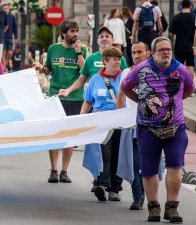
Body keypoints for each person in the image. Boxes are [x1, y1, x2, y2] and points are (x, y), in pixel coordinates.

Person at [120, 37, 194, 223]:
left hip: (175, 128)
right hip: (147, 128)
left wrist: (173, 103)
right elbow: (125, 87)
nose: (166, 52)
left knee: (175, 166)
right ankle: (153, 207)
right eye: (161, 49)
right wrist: (141, 101)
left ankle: (171, 208)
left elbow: (188, 90)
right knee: (149, 170)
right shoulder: (140, 69)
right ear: (152, 52)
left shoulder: (180, 69)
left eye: (168, 49)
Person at [34, 20, 88, 184]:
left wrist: (78, 53)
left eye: (76, 31)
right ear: (64, 33)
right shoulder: (53, 49)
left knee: (70, 135)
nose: (75, 34)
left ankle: (64, 170)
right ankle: (54, 170)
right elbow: (49, 69)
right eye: (72, 31)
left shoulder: (83, 49)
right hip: (56, 96)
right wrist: (41, 67)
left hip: (75, 96)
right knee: (55, 133)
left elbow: (84, 71)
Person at [80, 47, 125, 203]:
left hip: (120, 123)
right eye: (113, 59)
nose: (117, 61)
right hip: (101, 124)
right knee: (103, 154)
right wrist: (82, 118)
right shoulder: (95, 79)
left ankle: (115, 189)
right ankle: (102, 185)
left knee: (117, 156)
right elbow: (88, 101)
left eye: (119, 59)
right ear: (105, 61)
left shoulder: (124, 78)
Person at [116, 41, 151, 211]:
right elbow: (121, 96)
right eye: (133, 52)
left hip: (150, 125)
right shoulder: (126, 72)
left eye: (140, 52)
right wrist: (118, 117)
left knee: (146, 162)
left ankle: (147, 192)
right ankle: (138, 196)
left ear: (148, 53)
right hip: (130, 124)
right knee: (134, 161)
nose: (136, 55)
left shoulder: (154, 72)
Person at [58, 27, 129, 97]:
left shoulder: (120, 59)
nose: (104, 38)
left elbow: (126, 79)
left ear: (112, 40)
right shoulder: (90, 59)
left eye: (107, 36)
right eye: (101, 37)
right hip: (95, 102)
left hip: (115, 102)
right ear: (98, 41)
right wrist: (68, 90)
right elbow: (81, 79)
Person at [168, 0, 195, 78]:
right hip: (191, 47)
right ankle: (190, 86)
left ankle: (181, 85)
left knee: (179, 67)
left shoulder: (176, 17)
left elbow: (171, 33)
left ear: (181, 6)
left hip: (179, 46)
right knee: (190, 66)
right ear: (190, 6)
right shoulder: (194, 17)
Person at [2, 2, 17, 71]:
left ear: (9, 9)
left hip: (10, 37)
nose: (5, 9)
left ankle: (8, 62)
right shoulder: (1, 16)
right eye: (4, 8)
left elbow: (15, 27)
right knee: (4, 52)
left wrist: (16, 37)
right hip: (2, 37)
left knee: (10, 52)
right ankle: (4, 67)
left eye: (7, 8)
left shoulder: (12, 17)